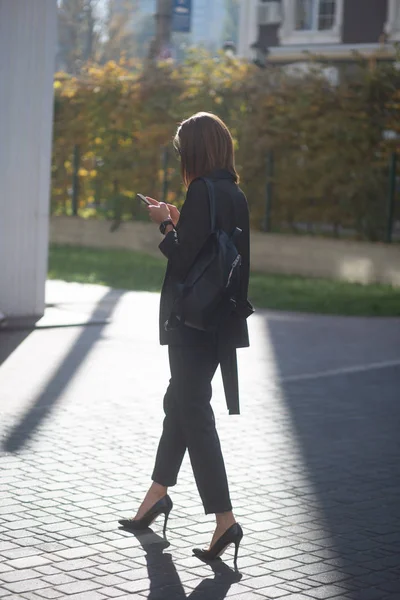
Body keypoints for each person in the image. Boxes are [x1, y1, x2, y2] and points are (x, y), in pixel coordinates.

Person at [118, 112, 252, 565]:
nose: (180, 158)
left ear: (194, 150)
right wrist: (181, 221)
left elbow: (181, 260)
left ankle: (224, 519)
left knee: (193, 411)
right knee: (181, 401)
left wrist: (163, 222)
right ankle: (157, 495)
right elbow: (221, 257)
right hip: (218, 322)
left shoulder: (200, 191)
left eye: (182, 150)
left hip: (190, 323)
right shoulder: (234, 194)